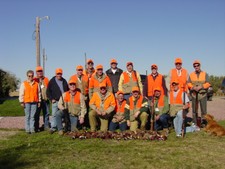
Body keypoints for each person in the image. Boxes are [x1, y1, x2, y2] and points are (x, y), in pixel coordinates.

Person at [187, 60, 211, 126]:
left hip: (203, 95)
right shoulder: (191, 74)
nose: (196, 67)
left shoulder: (205, 74)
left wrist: (201, 86)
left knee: (204, 111)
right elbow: (188, 83)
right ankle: (195, 122)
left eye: (197, 65)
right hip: (194, 95)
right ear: (193, 67)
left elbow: (208, 83)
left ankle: (204, 123)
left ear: (200, 66)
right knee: (194, 110)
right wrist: (193, 87)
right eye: (195, 66)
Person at [46, 68, 69, 133]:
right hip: (55, 101)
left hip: (63, 101)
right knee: (54, 115)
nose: (59, 75)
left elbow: (67, 91)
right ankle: (53, 127)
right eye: (58, 73)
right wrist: (51, 99)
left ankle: (63, 127)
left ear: (62, 74)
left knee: (63, 114)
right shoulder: (52, 81)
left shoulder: (64, 81)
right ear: (55, 74)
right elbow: (48, 91)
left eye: (60, 73)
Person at [19, 70, 41, 134]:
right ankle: (27, 129)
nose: (30, 77)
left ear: (33, 76)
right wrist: (21, 102)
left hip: (34, 102)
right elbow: (21, 93)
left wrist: (39, 101)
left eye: (31, 76)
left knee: (32, 116)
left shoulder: (36, 84)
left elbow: (38, 93)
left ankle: (32, 129)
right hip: (27, 102)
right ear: (27, 76)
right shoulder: (24, 84)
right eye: (29, 76)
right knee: (27, 116)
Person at [33, 66, 50, 131]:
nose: (39, 72)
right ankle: (36, 127)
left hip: (45, 100)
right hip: (37, 101)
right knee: (37, 114)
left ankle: (46, 126)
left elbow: (49, 89)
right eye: (38, 71)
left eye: (40, 71)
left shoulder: (46, 79)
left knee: (46, 113)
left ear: (42, 72)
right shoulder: (34, 80)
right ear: (36, 72)